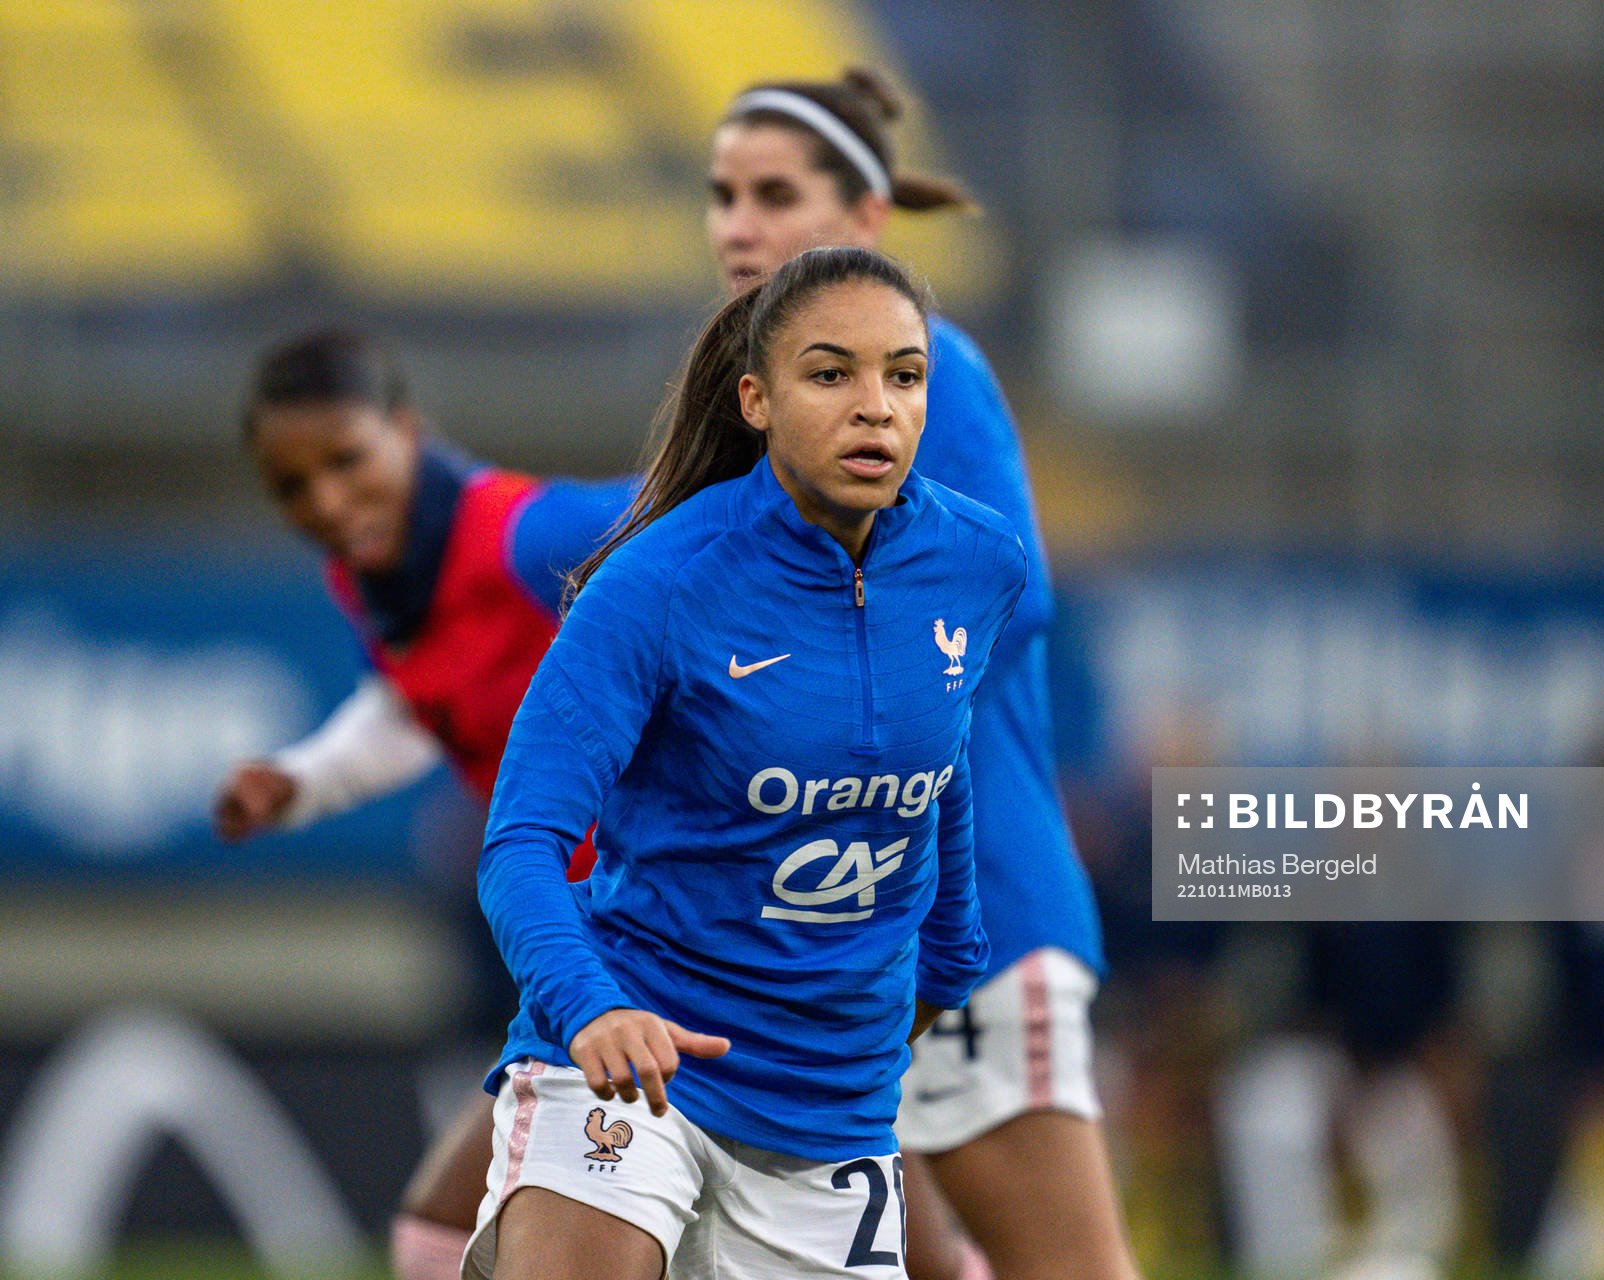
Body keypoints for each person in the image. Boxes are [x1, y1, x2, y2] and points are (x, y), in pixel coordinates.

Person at [463, 245, 1022, 1280]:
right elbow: (521, 841)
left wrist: (948, 966)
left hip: (832, 1107)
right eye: (831, 373)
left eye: (903, 376)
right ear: (756, 399)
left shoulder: (978, 563)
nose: (875, 408)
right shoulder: (656, 584)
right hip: (635, 1060)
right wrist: (590, 1007)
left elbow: (937, 776)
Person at [704, 69, 1130, 1280]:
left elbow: (1007, 603)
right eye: (724, 193)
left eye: (774, 193)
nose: (738, 223)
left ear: (868, 212)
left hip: (971, 908)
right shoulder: (768, 393)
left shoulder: (921, 372)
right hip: (834, 929)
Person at [212, 327, 634, 1280]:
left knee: (450, 1233)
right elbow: (420, 703)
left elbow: (719, 525)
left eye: (348, 461)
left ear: (408, 429)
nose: (325, 500)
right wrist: (303, 781)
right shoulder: (371, 576)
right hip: (579, 952)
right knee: (448, 1233)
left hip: (654, 935)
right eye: (292, 487)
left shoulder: (537, 538)